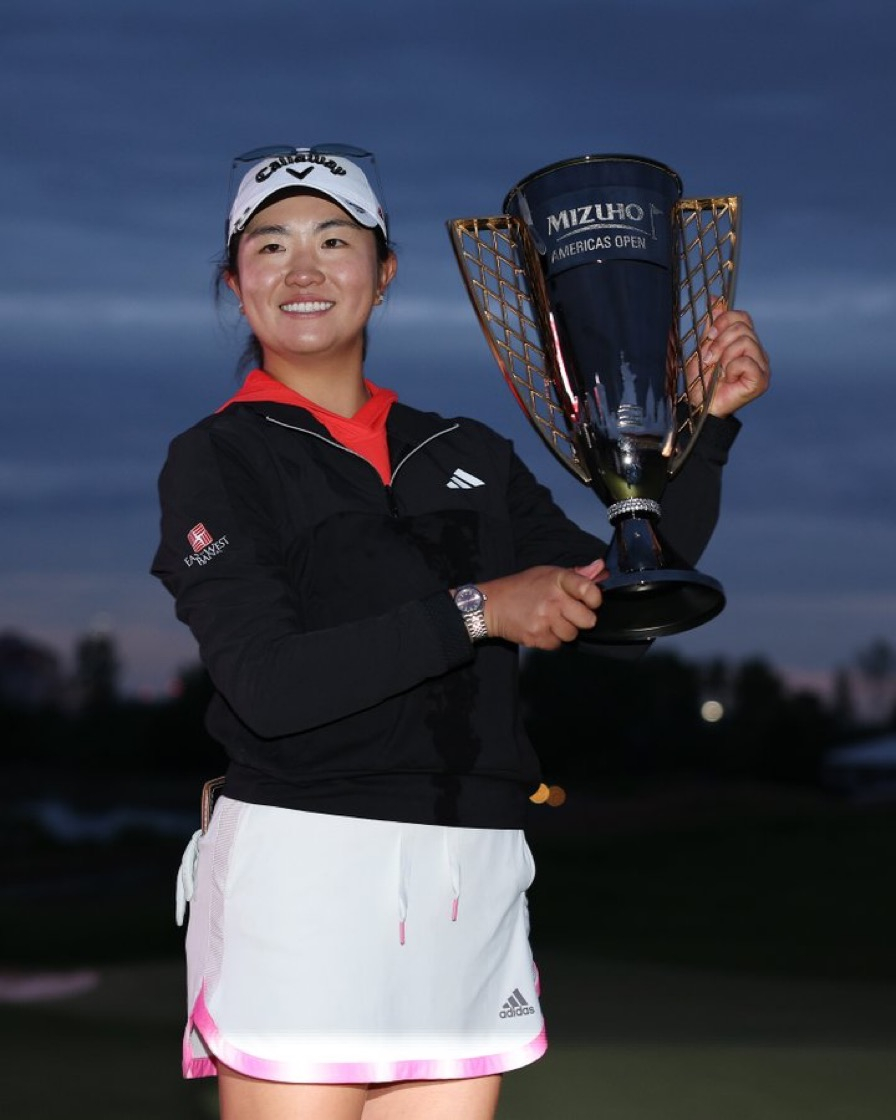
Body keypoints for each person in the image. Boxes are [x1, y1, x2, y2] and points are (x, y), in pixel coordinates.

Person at [151, 143, 770, 1120]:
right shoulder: (219, 458)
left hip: (468, 862)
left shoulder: (463, 448)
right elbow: (266, 682)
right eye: (269, 247)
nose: (302, 270)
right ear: (237, 284)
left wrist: (699, 431)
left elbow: (613, 611)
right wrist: (480, 609)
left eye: (333, 240)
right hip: (304, 867)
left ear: (383, 272)